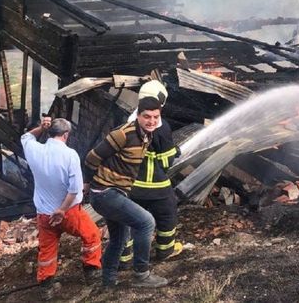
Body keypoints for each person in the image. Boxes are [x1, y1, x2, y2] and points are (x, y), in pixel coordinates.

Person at [84, 97, 169, 288]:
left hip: (116, 193)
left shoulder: (147, 136)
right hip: (105, 192)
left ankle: (108, 281)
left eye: (155, 117)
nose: (151, 121)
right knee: (146, 222)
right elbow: (91, 157)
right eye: (147, 116)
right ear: (138, 115)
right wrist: (88, 183)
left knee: (120, 238)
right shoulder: (123, 134)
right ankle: (142, 274)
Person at [21, 117, 102, 300]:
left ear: (49, 132)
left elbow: (26, 137)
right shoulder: (70, 155)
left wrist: (41, 127)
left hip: (44, 214)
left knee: (47, 249)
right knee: (91, 235)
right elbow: (74, 189)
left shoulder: (34, 150)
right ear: (66, 135)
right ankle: (91, 272)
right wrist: (62, 210)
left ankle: (46, 287)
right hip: (69, 213)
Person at [119, 81, 182, 269]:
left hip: (131, 186)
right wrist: (174, 151)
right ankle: (165, 251)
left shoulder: (128, 123)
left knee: (128, 221)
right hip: (156, 187)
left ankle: (124, 259)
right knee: (167, 214)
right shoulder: (161, 128)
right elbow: (165, 162)